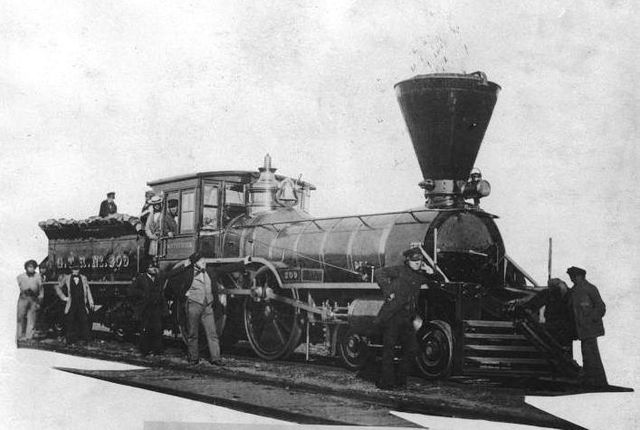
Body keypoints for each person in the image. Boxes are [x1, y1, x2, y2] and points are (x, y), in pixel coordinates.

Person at [373, 247, 440, 389]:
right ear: (408, 261)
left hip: (407, 317)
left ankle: (400, 381)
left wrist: (431, 272)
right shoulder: (399, 270)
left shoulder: (420, 276)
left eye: (419, 261)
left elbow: (436, 284)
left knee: (412, 349)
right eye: (414, 260)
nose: (417, 263)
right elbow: (379, 273)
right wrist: (388, 291)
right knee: (389, 349)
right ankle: (386, 382)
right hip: (393, 315)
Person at [166, 252, 250, 365]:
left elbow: (226, 269)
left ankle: (216, 358)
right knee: (193, 333)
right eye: (201, 261)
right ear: (195, 263)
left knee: (212, 334)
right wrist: (183, 295)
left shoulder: (210, 272)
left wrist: (243, 262)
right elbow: (171, 276)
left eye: (204, 260)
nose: (204, 262)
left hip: (208, 307)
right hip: (194, 305)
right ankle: (193, 358)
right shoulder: (188, 273)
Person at [567, 266, 608, 387]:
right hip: (582, 329)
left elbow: (601, 307)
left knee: (591, 355)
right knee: (588, 354)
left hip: (589, 329)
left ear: (579, 276)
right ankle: (592, 381)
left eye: (573, 277)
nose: (572, 279)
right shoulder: (574, 290)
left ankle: (597, 382)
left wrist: (590, 319)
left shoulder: (590, 288)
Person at [515, 278, 576, 349]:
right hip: (554, 325)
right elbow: (534, 303)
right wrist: (527, 308)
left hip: (565, 327)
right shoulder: (548, 293)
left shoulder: (571, 295)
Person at [129, 262, 168, 356]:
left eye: (155, 267)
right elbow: (131, 291)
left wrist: (165, 309)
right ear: (147, 268)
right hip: (145, 309)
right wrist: (142, 294)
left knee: (157, 329)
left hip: (156, 308)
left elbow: (161, 294)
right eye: (152, 267)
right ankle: (144, 350)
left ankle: (156, 350)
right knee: (145, 329)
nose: (154, 269)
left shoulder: (158, 279)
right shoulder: (141, 279)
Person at [55, 263, 94, 345]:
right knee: (70, 321)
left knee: (84, 320)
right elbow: (57, 287)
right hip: (72, 303)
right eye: (74, 269)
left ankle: (86, 340)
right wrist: (63, 297)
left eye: (77, 269)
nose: (76, 270)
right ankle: (70, 340)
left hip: (81, 303)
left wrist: (91, 302)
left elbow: (88, 291)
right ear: (71, 270)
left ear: (79, 269)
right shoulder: (67, 278)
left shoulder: (83, 278)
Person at [16, 259, 44, 341]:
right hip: (23, 298)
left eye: (33, 267)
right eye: (29, 267)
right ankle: (19, 335)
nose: (31, 269)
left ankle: (29, 336)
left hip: (33, 299)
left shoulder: (38, 276)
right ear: (26, 268)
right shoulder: (20, 277)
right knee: (20, 317)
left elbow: (41, 289)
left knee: (32, 317)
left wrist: (40, 300)